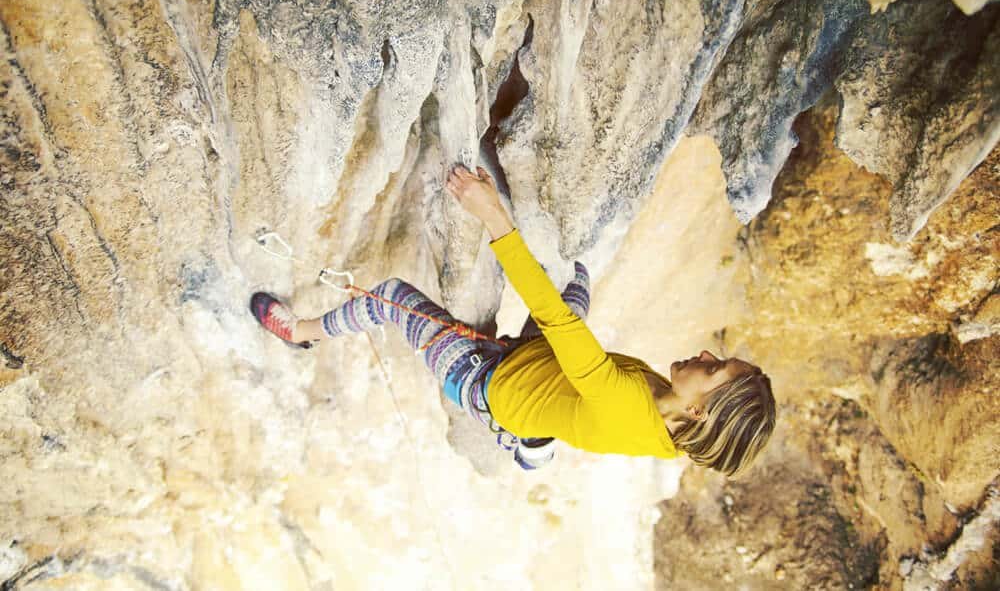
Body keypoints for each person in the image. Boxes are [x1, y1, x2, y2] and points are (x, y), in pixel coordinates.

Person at [251, 164, 776, 475]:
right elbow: (566, 332)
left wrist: (492, 215)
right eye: (720, 359)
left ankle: (300, 333)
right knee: (577, 282)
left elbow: (553, 317)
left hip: (483, 382)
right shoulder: (682, 435)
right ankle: (534, 442)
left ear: (701, 411)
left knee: (389, 297)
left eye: (714, 369)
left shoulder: (625, 401)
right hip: (542, 369)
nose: (708, 355)